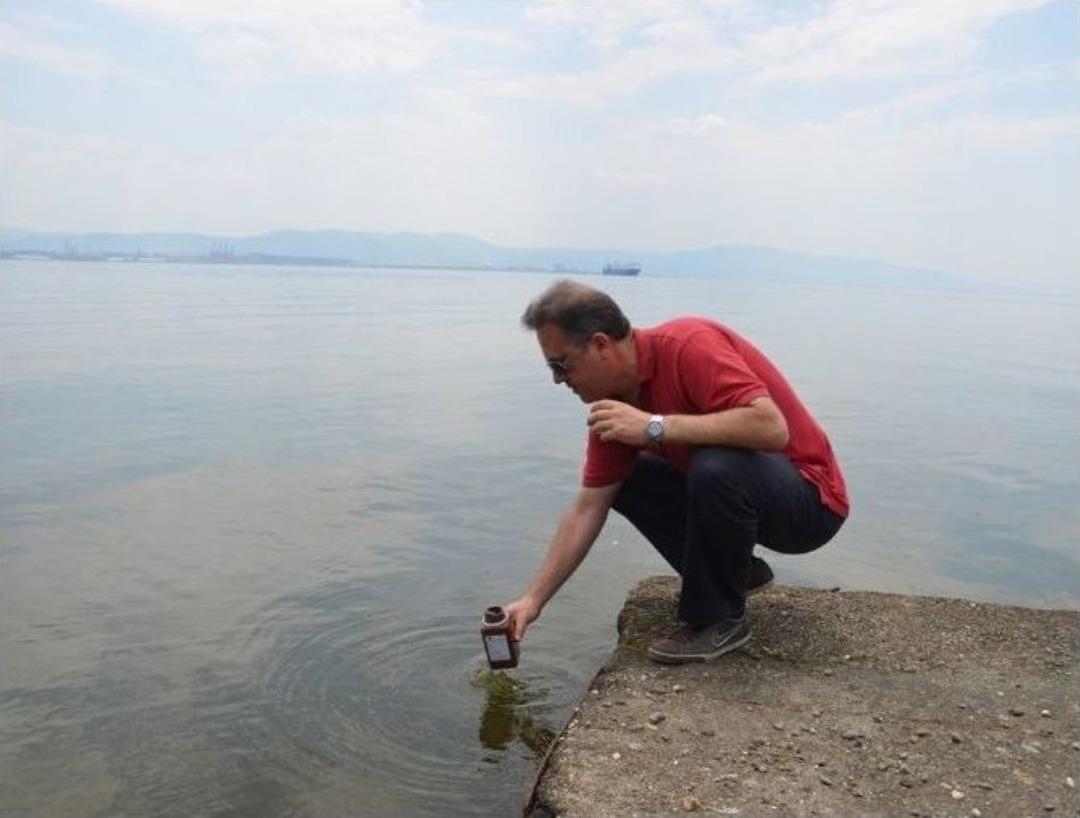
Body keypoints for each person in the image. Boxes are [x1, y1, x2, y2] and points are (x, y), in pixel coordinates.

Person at [503, 279, 849, 664]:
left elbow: (771, 427)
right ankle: (741, 576)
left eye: (561, 364)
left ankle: (718, 619)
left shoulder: (688, 344)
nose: (557, 380)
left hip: (810, 503)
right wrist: (533, 601)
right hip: (740, 499)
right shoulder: (613, 407)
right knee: (628, 480)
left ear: (600, 345)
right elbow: (588, 507)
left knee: (714, 465)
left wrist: (654, 427)